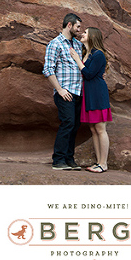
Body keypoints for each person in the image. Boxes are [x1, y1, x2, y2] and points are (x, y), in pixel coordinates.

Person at [43, 13, 85, 170]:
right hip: (65, 92)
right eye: (78, 27)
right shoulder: (55, 44)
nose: (80, 30)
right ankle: (58, 160)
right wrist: (59, 89)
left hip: (78, 92)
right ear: (69, 25)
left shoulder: (77, 45)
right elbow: (48, 69)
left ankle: (69, 159)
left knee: (75, 126)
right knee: (67, 123)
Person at [69, 27, 112, 173]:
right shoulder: (87, 53)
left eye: (85, 32)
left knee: (100, 128)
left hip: (97, 93)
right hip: (89, 94)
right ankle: (98, 162)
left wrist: (76, 59)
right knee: (93, 129)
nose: (83, 34)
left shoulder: (98, 54)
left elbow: (88, 74)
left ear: (92, 36)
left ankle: (104, 163)